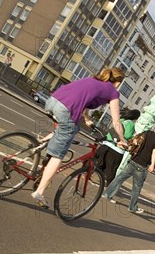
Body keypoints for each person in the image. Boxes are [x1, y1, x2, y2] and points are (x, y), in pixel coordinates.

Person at [31, 67, 127, 208]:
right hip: (66, 110)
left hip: (52, 101)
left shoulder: (93, 80)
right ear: (118, 82)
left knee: (71, 128)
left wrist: (87, 118)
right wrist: (122, 139)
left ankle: (42, 142)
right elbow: (116, 121)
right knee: (59, 155)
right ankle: (39, 192)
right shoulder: (113, 92)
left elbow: (83, 100)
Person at [103, 120, 155, 214]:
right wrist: (152, 164)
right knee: (137, 188)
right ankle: (132, 207)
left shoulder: (147, 133)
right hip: (142, 166)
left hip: (133, 160)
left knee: (119, 178)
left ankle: (107, 194)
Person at [95, 108, 141, 186]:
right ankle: (108, 188)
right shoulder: (130, 124)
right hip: (116, 150)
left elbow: (111, 132)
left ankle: (86, 175)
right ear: (136, 118)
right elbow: (127, 136)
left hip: (106, 145)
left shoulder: (121, 120)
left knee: (97, 163)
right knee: (111, 170)